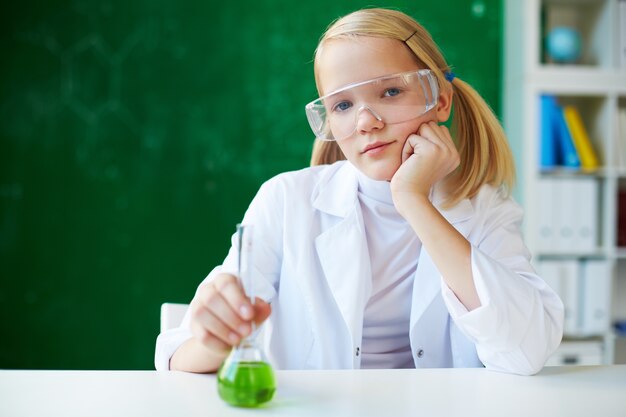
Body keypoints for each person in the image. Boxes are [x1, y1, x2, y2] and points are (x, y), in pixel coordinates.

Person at [155, 7, 564, 375]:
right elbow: (175, 355)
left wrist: (415, 202)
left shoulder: (485, 207)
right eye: (343, 106)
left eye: (390, 92)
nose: (366, 122)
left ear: (439, 100)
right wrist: (214, 339)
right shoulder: (285, 201)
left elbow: (528, 350)